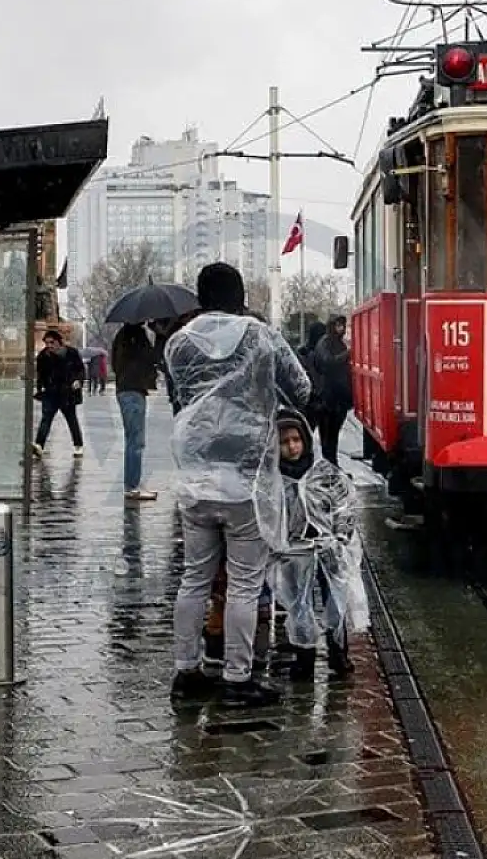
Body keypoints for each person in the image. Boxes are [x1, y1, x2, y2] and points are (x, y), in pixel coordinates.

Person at [166, 262, 311, 707]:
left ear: (200, 297)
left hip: (194, 473)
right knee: (245, 583)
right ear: (240, 294)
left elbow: (183, 396)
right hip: (246, 478)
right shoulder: (261, 336)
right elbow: (300, 388)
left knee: (195, 577)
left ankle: (186, 672)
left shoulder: (178, 343)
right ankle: (237, 677)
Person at [273, 411, 366, 680]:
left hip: (327, 548)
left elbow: (343, 505)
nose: (292, 447)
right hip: (295, 551)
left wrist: (340, 536)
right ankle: (305, 656)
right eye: (284, 442)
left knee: (335, 600)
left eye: (296, 440)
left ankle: (339, 651)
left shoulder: (323, 473)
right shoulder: (273, 479)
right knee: (299, 605)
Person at [111, 323, 158, 501]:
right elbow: (149, 358)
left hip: (125, 388)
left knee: (132, 440)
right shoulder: (136, 335)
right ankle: (132, 486)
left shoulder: (122, 335)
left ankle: (132, 484)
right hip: (133, 389)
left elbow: (115, 364)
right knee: (136, 441)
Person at [32, 329, 85, 457]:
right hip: (51, 392)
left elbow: (80, 369)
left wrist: (78, 381)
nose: (49, 345)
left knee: (71, 420)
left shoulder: (71, 353)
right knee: (46, 419)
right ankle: (39, 445)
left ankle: (78, 445)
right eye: (46, 342)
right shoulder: (43, 356)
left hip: (67, 392)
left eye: (52, 342)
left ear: (59, 342)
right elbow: (40, 375)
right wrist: (39, 390)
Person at [309, 315, 353, 464]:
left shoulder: (339, 343)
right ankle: (329, 468)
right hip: (328, 400)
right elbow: (328, 361)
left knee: (333, 438)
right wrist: (348, 354)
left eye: (343, 325)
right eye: (338, 325)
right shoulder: (325, 343)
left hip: (339, 400)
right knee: (328, 439)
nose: (341, 328)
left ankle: (332, 467)